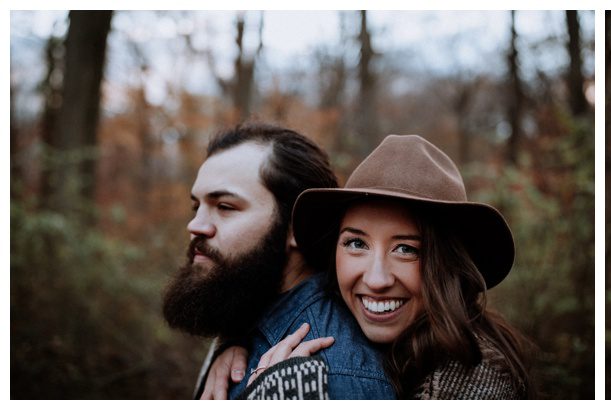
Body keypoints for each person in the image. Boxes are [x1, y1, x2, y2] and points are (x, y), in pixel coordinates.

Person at [237, 134, 530, 399]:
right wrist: (236, 343)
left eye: (406, 249)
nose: (376, 280)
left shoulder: (473, 378)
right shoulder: (332, 314)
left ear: (448, 265)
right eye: (356, 244)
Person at [161, 123, 396, 399]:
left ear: (296, 227)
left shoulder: (330, 374)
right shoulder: (244, 317)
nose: (195, 225)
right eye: (196, 207)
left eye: (225, 207)